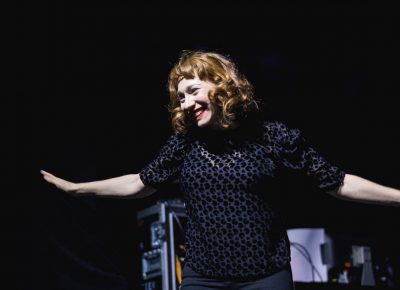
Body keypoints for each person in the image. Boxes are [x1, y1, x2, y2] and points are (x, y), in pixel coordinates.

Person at [41, 50, 400, 290]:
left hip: (266, 276)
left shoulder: (272, 137)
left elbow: (337, 182)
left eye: (193, 90)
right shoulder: (184, 144)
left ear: (221, 85)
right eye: (180, 97)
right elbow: (140, 183)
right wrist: (76, 189)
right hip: (203, 276)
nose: (185, 103)